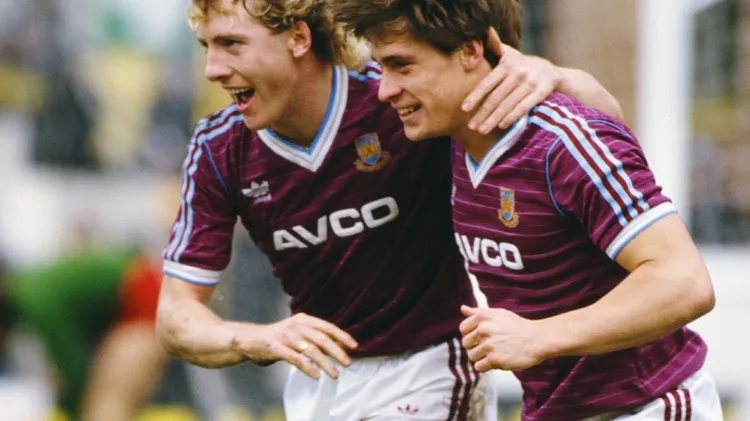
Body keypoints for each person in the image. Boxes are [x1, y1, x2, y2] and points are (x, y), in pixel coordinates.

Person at [156, 0, 623, 420]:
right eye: (207, 47)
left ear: (298, 37)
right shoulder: (218, 148)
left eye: (231, 44)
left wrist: (554, 75)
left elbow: (601, 120)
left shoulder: (396, 100)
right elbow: (176, 318)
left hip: (428, 367)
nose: (212, 69)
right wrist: (258, 339)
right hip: (321, 380)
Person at [332, 0, 721, 420]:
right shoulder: (448, 143)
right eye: (382, 68)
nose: (385, 89)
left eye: (402, 66)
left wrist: (538, 336)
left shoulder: (563, 142)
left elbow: (684, 281)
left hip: (648, 406)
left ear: (470, 51)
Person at [0, 248, 167, 421]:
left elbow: (69, 365)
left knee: (108, 407)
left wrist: (69, 408)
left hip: (141, 297)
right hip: (130, 295)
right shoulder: (27, 289)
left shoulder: (34, 303)